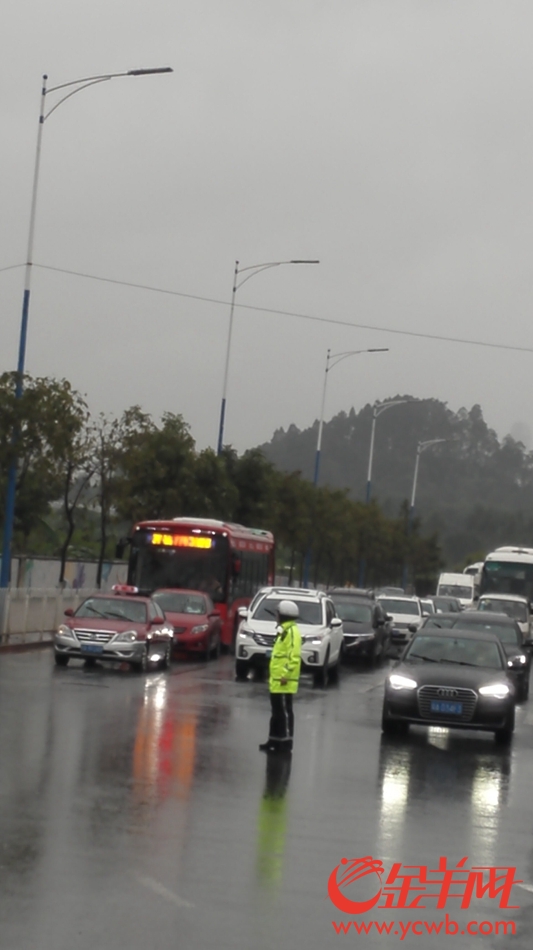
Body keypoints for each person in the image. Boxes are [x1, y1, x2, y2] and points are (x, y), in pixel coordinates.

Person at [259, 600, 302, 754]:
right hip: (276, 680)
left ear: (284, 615)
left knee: (284, 711)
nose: (276, 616)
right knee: (276, 711)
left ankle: (286, 742)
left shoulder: (291, 632)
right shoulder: (283, 631)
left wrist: (285, 674)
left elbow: (294, 657)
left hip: (284, 680)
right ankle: (274, 740)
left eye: (278, 613)